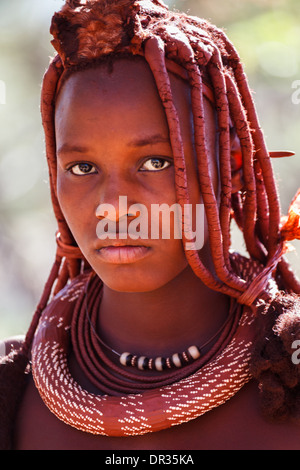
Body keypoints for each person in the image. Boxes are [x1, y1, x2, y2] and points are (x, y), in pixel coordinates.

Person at [1, 0, 300, 450]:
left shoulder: (288, 367)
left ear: (232, 168)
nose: (113, 208)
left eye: (155, 162)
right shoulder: (14, 392)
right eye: (82, 168)